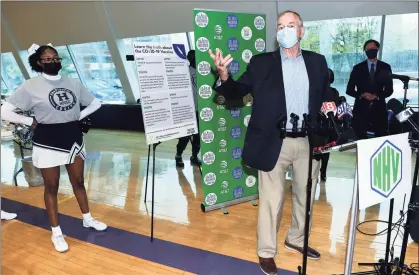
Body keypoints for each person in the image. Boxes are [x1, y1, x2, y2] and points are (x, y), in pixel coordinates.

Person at [209, 10, 333, 275]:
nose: (284, 30)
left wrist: (332, 102)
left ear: (301, 31)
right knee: (271, 201)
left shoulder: (318, 62)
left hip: (308, 142)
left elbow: (325, 92)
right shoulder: (261, 63)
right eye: (280, 26)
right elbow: (236, 92)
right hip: (273, 141)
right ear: (276, 33)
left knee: (305, 196)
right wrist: (223, 76)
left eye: (290, 25)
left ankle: (296, 239)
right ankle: (266, 252)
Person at [1, 44, 107, 253]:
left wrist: (78, 117)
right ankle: (56, 231)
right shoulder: (30, 86)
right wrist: (29, 120)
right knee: (51, 187)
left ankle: (87, 218)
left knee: (78, 182)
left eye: (55, 58)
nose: (52, 62)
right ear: (39, 62)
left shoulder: (73, 83)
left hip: (73, 139)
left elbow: (95, 103)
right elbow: (5, 111)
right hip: (47, 140)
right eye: (47, 59)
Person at [346, 39, 393, 139]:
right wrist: (362, 95)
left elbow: (389, 90)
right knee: (360, 139)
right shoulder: (357, 68)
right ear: (365, 51)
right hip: (361, 109)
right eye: (368, 49)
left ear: (377, 49)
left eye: (373, 48)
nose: (370, 50)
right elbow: (349, 90)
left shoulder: (385, 67)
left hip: (379, 110)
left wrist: (377, 96)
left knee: (381, 139)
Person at [175, 50, 201, 168]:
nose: (195, 59)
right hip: (187, 110)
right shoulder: (184, 72)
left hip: (200, 110)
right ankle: (178, 156)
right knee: (185, 136)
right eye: (193, 57)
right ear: (189, 59)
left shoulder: (203, 72)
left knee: (198, 137)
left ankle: (194, 156)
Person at [317, 68, 340, 181]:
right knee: (323, 151)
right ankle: (322, 173)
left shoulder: (333, 92)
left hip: (326, 125)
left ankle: (321, 172)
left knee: (322, 151)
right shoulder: (333, 92)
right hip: (323, 125)